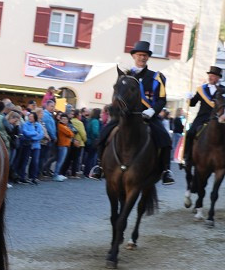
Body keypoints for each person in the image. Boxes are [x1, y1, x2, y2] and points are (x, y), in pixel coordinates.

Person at [90, 41, 175, 184]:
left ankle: (166, 171)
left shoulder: (156, 77)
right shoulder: (124, 76)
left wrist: (152, 110)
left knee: (164, 138)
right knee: (104, 134)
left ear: (148, 58)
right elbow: (117, 95)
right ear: (134, 56)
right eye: (139, 55)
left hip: (148, 115)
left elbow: (161, 99)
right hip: (125, 115)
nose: (142, 58)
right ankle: (99, 165)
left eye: (145, 55)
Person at [183, 66, 224, 167]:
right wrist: (189, 98)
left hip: (218, 118)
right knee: (190, 133)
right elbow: (193, 104)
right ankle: (187, 157)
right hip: (202, 117)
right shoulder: (202, 89)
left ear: (218, 78)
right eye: (210, 75)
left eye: (213, 76)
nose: (210, 77)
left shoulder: (223, 90)